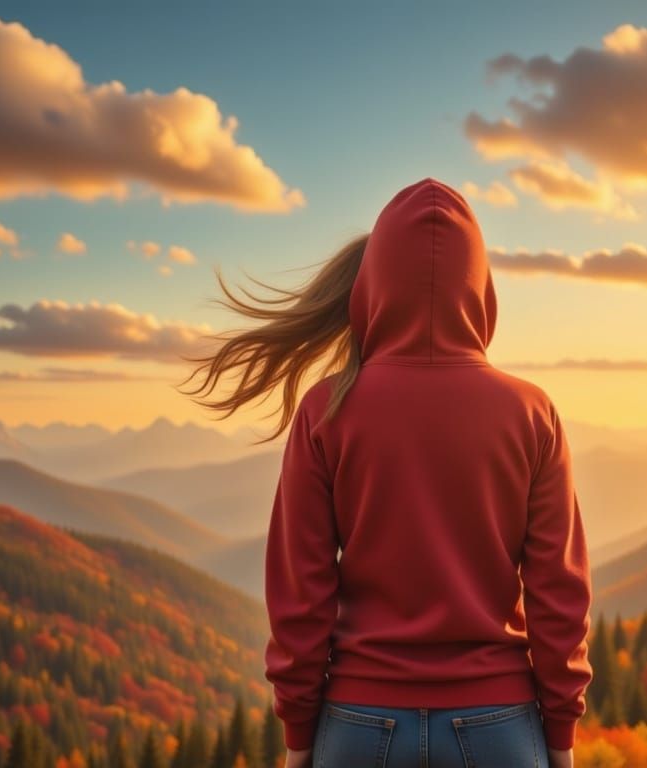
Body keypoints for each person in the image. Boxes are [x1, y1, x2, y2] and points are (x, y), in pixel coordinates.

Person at [178, 177, 593, 768]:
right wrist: (561, 738)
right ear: (479, 286)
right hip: (498, 722)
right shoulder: (531, 412)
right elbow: (558, 594)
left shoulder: (326, 410)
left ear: (373, 285)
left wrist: (299, 737)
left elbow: (301, 595)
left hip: (358, 725)